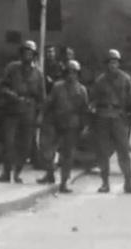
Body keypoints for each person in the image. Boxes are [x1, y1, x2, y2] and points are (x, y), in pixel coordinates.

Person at [0, 41, 45, 183]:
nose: (27, 55)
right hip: (11, 109)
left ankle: (17, 172)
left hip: (29, 111)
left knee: (25, 145)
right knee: (8, 142)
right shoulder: (12, 68)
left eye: (30, 53)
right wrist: (12, 95)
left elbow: (42, 97)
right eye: (25, 52)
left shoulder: (38, 74)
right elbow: (1, 86)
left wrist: (40, 115)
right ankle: (6, 172)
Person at [91, 49, 131, 194]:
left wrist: (129, 118)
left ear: (119, 64)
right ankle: (105, 183)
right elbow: (94, 99)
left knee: (123, 151)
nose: (113, 65)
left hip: (119, 117)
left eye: (115, 62)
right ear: (106, 64)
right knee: (103, 152)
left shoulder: (126, 79)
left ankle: (128, 183)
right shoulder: (100, 80)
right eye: (110, 62)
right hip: (103, 116)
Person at [37, 60, 89, 192]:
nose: (71, 75)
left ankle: (64, 182)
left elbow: (84, 110)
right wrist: (41, 115)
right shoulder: (57, 87)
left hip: (72, 125)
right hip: (56, 121)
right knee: (47, 149)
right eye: (69, 72)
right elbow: (48, 103)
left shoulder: (82, 90)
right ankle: (50, 174)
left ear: (78, 75)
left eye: (74, 73)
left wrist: (84, 126)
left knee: (68, 155)